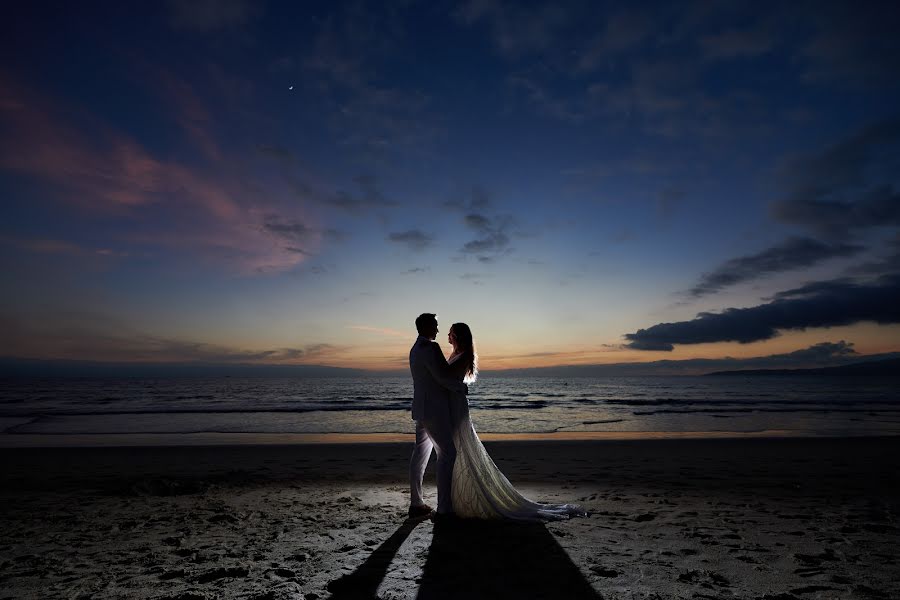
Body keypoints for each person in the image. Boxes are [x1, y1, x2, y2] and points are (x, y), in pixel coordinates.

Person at [445, 322, 586, 521]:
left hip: (456, 405)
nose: (447, 337)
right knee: (454, 448)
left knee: (461, 447)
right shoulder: (453, 354)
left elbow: (446, 377)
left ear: (458, 336)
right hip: (451, 403)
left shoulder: (464, 355)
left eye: (450, 334)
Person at [408, 313, 467, 520]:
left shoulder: (415, 349)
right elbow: (441, 376)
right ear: (425, 326)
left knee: (420, 455)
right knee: (448, 453)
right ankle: (444, 509)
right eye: (435, 325)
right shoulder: (431, 348)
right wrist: (460, 388)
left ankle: (416, 504)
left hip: (421, 409)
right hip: (434, 409)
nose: (438, 330)